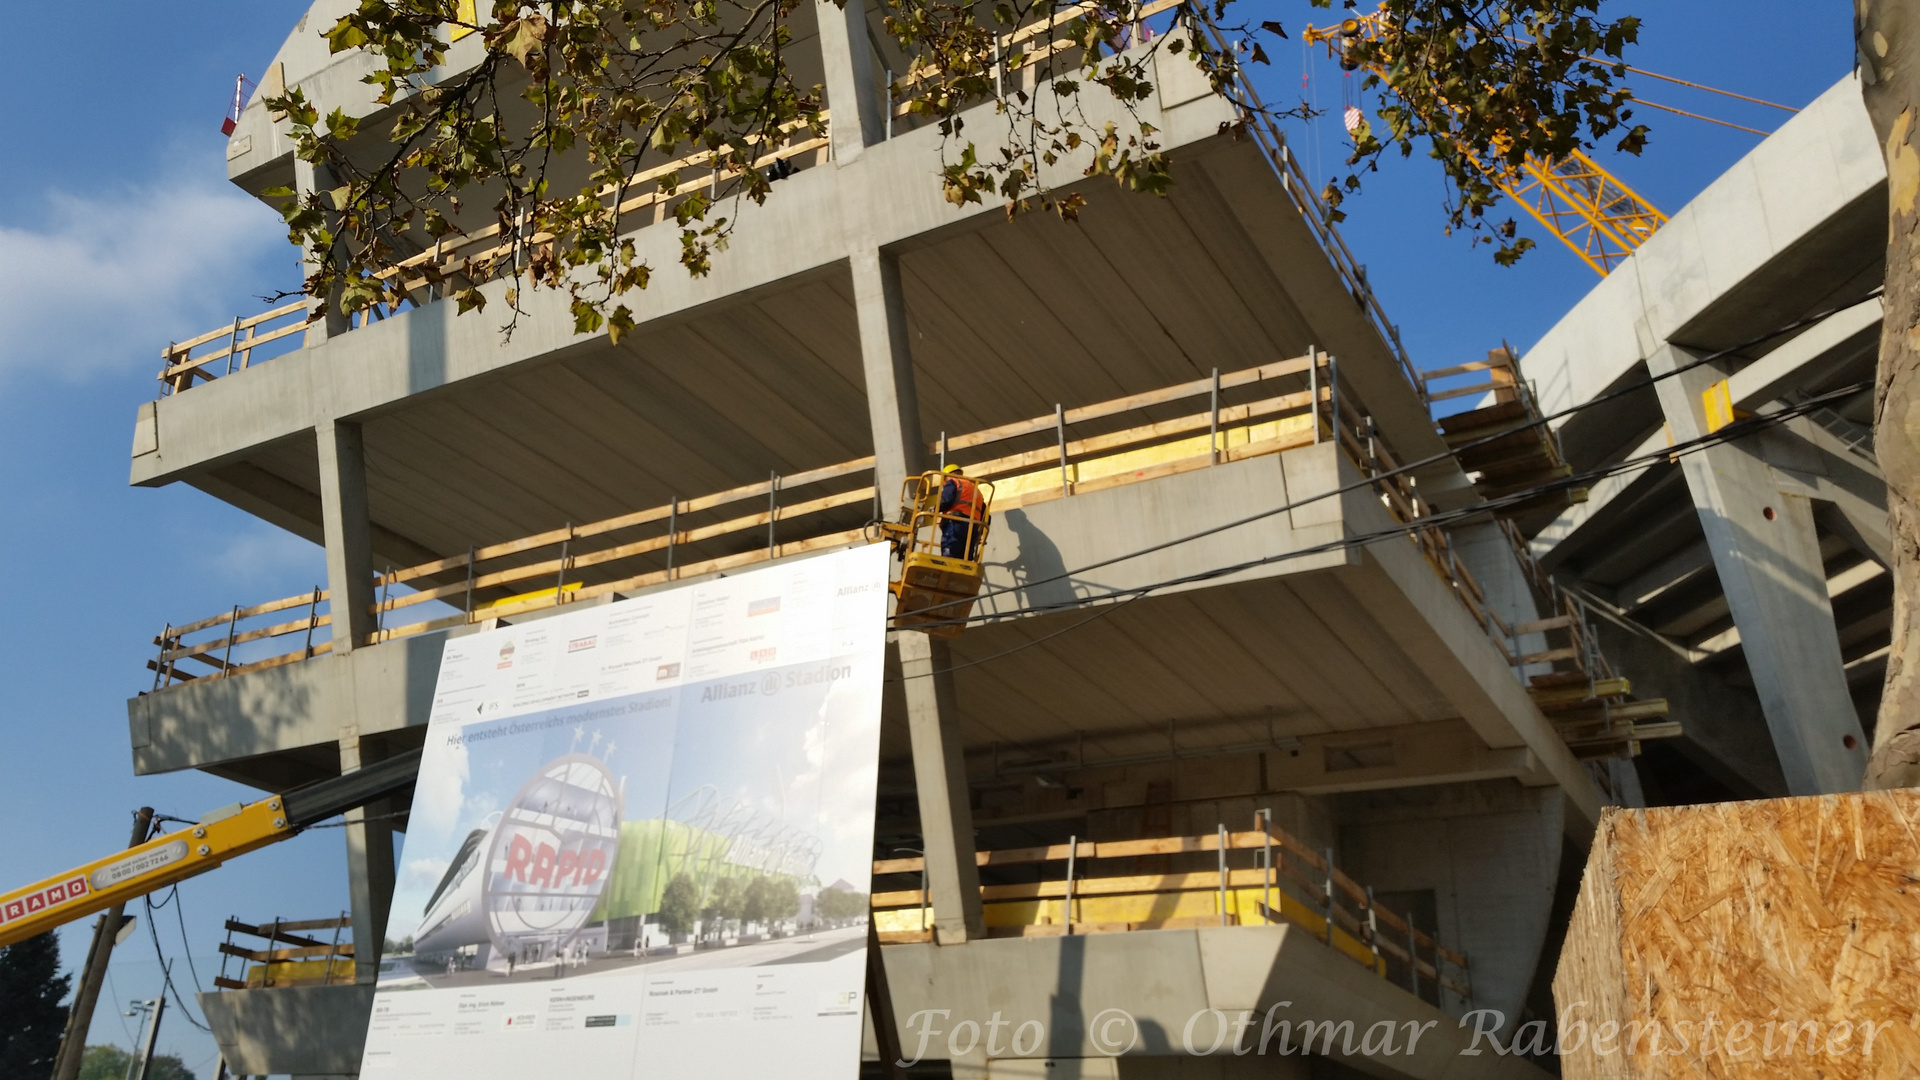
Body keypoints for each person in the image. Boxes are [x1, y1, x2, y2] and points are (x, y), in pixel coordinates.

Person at [937, 464, 985, 560]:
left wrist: (935, 509)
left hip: (956, 525)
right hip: (973, 528)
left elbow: (946, 501)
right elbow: (985, 514)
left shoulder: (953, 482)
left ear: (948, 475)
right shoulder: (976, 490)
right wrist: (980, 533)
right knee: (965, 559)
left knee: (949, 556)